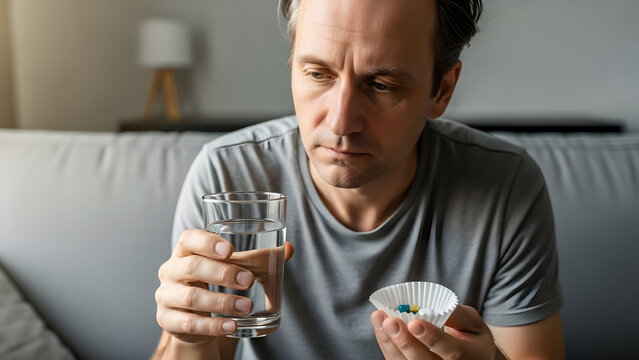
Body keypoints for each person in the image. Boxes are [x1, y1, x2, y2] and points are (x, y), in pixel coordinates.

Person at [153, 0, 565, 358]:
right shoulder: (228, 178)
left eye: (382, 84)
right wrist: (185, 339)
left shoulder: (506, 186)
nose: (341, 122)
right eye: (318, 74)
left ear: (441, 90)